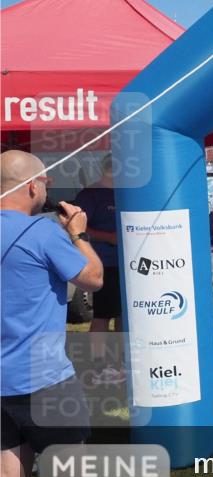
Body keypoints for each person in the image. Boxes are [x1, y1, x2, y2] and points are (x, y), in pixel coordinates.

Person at [1, 151, 157, 477]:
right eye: (46, 184)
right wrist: (80, 234)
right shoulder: (41, 231)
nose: (49, 191)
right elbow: (92, 277)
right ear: (32, 187)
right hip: (45, 379)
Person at [73, 155, 124, 384]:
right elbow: (76, 229)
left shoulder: (125, 192)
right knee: (103, 316)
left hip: (128, 264)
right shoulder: (90, 195)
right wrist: (109, 237)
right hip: (103, 264)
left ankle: (121, 364)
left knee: (124, 316)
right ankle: (99, 367)